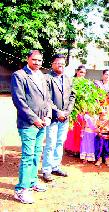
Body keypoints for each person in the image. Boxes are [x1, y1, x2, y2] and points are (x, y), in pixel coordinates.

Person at [11, 50, 51, 204]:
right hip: (28, 124)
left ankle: (32, 182)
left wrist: (47, 116)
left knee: (36, 154)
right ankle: (21, 190)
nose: (37, 63)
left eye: (40, 60)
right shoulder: (19, 75)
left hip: (42, 122)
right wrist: (34, 119)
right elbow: (19, 101)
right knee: (27, 157)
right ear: (27, 59)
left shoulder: (41, 75)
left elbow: (47, 99)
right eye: (34, 60)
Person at [42, 54, 76, 182]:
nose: (60, 65)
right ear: (52, 64)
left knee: (60, 143)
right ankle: (46, 170)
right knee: (50, 143)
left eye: (62, 63)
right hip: (53, 118)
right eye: (58, 63)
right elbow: (46, 98)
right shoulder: (47, 78)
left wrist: (67, 112)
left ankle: (55, 167)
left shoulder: (68, 78)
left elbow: (72, 97)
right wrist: (58, 112)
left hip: (65, 118)